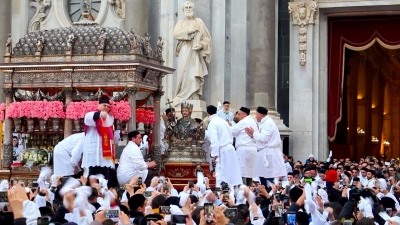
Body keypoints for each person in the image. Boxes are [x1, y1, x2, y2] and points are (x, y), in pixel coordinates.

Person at [172, 0, 212, 106]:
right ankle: (182, 94)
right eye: (186, 8)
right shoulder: (181, 22)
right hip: (184, 51)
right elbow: (176, 34)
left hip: (195, 52)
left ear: (193, 9)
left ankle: (194, 95)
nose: (188, 9)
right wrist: (190, 32)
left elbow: (207, 38)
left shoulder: (199, 22)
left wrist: (202, 45)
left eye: (190, 7)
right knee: (183, 73)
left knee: (193, 74)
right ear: (183, 10)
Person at [245, 106, 287, 186]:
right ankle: (265, 194)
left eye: (256, 114)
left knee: (269, 177)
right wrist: (252, 136)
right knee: (262, 177)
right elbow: (260, 140)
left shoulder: (268, 123)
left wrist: (254, 133)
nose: (255, 116)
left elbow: (264, 138)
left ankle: (270, 194)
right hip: (263, 152)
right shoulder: (263, 123)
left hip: (269, 154)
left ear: (260, 115)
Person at [82, 95, 117, 187]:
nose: (106, 108)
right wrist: (100, 115)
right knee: (92, 177)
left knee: (104, 178)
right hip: (93, 152)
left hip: (105, 154)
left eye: (108, 106)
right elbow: (88, 120)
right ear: (99, 105)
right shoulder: (91, 114)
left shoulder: (110, 117)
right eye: (104, 105)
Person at [206, 105, 242, 187]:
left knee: (222, 174)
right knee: (232, 173)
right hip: (230, 148)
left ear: (208, 114)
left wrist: (214, 155)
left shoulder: (212, 123)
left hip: (223, 150)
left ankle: (223, 192)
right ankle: (233, 192)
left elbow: (214, 141)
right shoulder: (223, 121)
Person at [230, 107, 258, 186]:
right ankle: (249, 189)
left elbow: (232, 131)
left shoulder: (244, 121)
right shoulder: (252, 121)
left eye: (239, 114)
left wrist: (227, 125)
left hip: (244, 149)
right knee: (249, 174)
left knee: (241, 172)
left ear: (244, 114)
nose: (237, 116)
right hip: (252, 149)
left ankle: (242, 191)